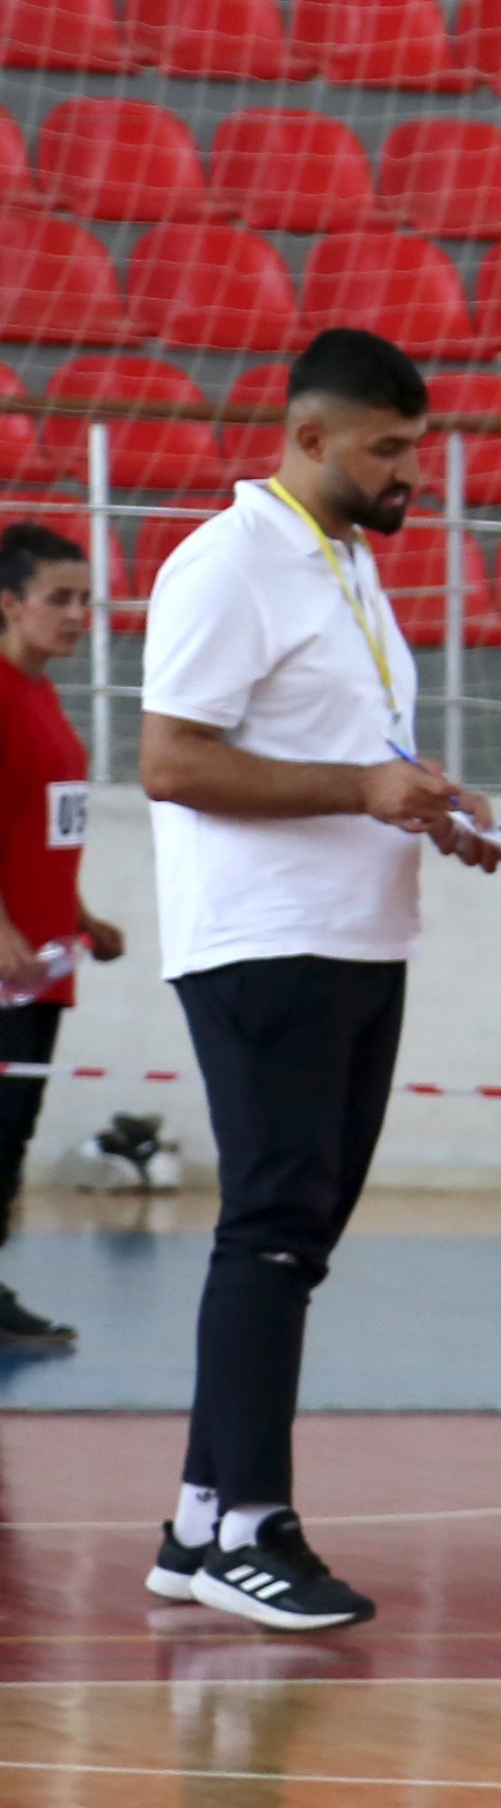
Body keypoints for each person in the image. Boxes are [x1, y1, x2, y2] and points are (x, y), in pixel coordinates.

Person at [137, 327, 501, 1634]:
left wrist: (430, 803)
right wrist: (361, 787)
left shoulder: (341, 562)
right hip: (265, 939)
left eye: (419, 447)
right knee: (275, 1227)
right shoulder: (229, 563)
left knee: (301, 1236)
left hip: (356, 932)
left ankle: (194, 1518)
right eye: (388, 449)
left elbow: (349, 751)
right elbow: (171, 762)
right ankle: (254, 1527)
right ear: (308, 439)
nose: (413, 472)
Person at [0, 522, 116, 1352]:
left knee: (11, 1133)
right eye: (59, 600)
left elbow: (37, 829)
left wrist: (79, 914)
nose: (78, 614)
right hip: (6, 962)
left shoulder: (40, 691)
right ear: (9, 604)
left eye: (86, 599)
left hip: (44, 963)